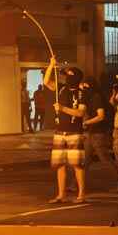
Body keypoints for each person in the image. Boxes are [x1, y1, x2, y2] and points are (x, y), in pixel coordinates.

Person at [44, 57, 87, 203]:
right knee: (59, 165)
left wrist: (62, 109)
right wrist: (50, 65)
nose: (66, 77)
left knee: (77, 165)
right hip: (59, 131)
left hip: (75, 132)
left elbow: (80, 113)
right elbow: (46, 82)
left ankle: (81, 194)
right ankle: (61, 195)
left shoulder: (81, 93)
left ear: (74, 77)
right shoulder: (61, 88)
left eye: (69, 75)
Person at [81, 77, 118, 184]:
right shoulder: (91, 97)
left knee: (105, 158)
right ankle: (76, 184)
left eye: (85, 86)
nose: (83, 89)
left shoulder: (96, 97)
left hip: (97, 133)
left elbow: (100, 116)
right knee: (86, 160)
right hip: (91, 132)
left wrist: (86, 123)